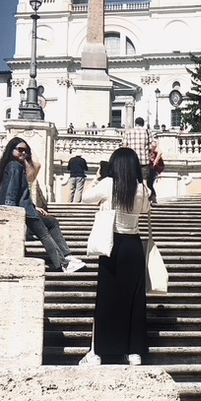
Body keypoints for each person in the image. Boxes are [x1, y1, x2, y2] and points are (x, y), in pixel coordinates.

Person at [81, 147, 151, 366]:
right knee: (135, 300)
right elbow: (146, 210)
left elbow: (85, 199)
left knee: (107, 299)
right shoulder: (142, 188)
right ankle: (134, 352)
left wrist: (96, 178)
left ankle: (99, 352)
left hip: (112, 245)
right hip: (134, 245)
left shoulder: (108, 183)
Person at [0, 136, 85, 273]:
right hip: (19, 209)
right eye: (20, 150)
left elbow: (21, 192)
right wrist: (11, 211)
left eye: (26, 151)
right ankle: (63, 264)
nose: (24, 153)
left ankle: (67, 256)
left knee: (52, 222)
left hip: (26, 206)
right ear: (11, 150)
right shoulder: (14, 166)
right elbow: (11, 192)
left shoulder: (17, 166)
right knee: (44, 234)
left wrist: (35, 206)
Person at [123, 116, 154, 199]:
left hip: (131, 161)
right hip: (144, 161)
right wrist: (150, 153)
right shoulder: (147, 132)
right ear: (143, 124)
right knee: (144, 182)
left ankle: (131, 199)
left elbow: (124, 146)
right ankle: (145, 199)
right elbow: (153, 145)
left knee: (131, 181)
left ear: (135, 123)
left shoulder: (128, 132)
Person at [149, 140, 164, 204]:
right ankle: (151, 197)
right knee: (149, 183)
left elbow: (160, 152)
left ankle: (153, 197)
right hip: (151, 167)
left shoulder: (152, 146)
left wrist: (154, 162)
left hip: (155, 167)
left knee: (149, 182)